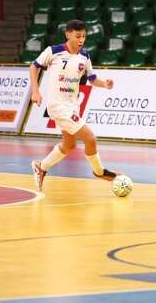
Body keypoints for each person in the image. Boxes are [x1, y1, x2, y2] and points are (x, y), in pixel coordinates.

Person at [29, 19, 119, 191]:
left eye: (84, 36)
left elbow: (92, 79)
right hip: (58, 106)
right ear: (68, 34)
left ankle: (41, 167)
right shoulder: (53, 51)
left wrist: (105, 84)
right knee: (90, 138)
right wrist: (36, 91)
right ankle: (99, 172)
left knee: (69, 145)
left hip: (72, 105)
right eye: (78, 36)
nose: (81, 40)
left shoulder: (84, 56)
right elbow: (34, 67)